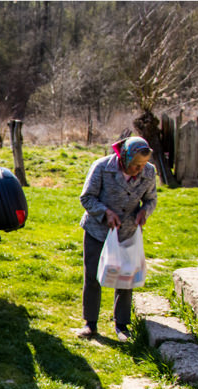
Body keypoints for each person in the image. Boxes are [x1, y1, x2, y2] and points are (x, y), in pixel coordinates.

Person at [77, 136, 157, 342]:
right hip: (98, 230)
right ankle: (90, 324)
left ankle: (122, 324)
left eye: (142, 165)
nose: (139, 169)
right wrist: (105, 212)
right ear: (124, 158)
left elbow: (151, 199)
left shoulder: (149, 171)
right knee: (93, 276)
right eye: (135, 165)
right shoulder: (102, 167)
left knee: (126, 278)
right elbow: (86, 197)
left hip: (127, 231)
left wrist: (144, 212)